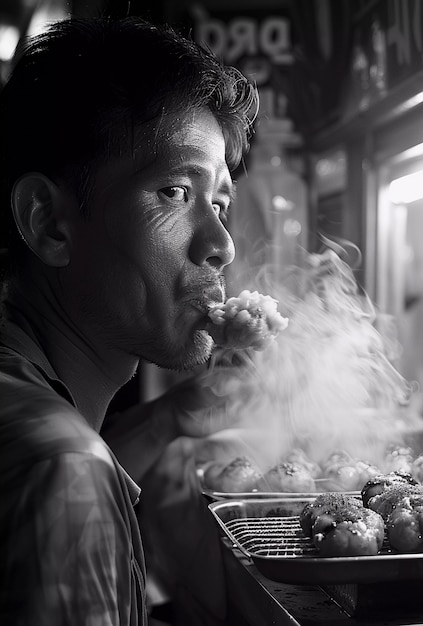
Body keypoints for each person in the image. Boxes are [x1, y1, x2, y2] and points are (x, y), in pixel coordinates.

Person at [0, 16, 257, 625]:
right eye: (173, 191)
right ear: (48, 222)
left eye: (219, 201)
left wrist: (168, 418)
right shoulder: (61, 464)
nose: (221, 244)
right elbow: (63, 467)